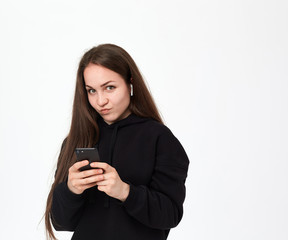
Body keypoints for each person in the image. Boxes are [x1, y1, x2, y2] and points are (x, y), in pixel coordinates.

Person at [44, 43, 189, 240]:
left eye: (109, 88)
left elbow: (170, 215)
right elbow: (62, 223)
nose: (100, 100)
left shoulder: (160, 139)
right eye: (91, 91)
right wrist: (71, 190)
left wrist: (125, 192)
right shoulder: (77, 139)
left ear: (130, 83)